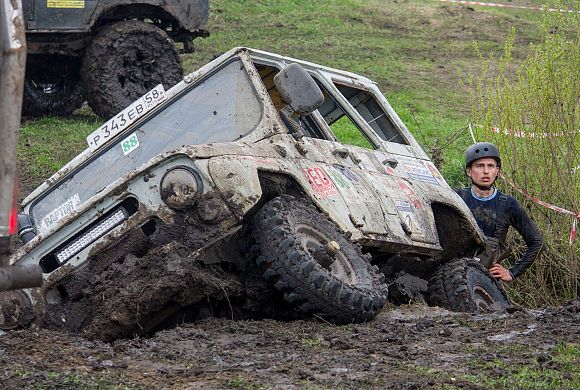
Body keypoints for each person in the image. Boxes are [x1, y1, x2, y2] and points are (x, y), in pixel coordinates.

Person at [457, 142, 544, 281]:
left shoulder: (509, 204)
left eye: (490, 166)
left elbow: (537, 243)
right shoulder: (456, 198)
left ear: (497, 171)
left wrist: (512, 272)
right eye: (480, 166)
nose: (486, 171)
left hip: (486, 281)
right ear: (469, 171)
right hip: (451, 272)